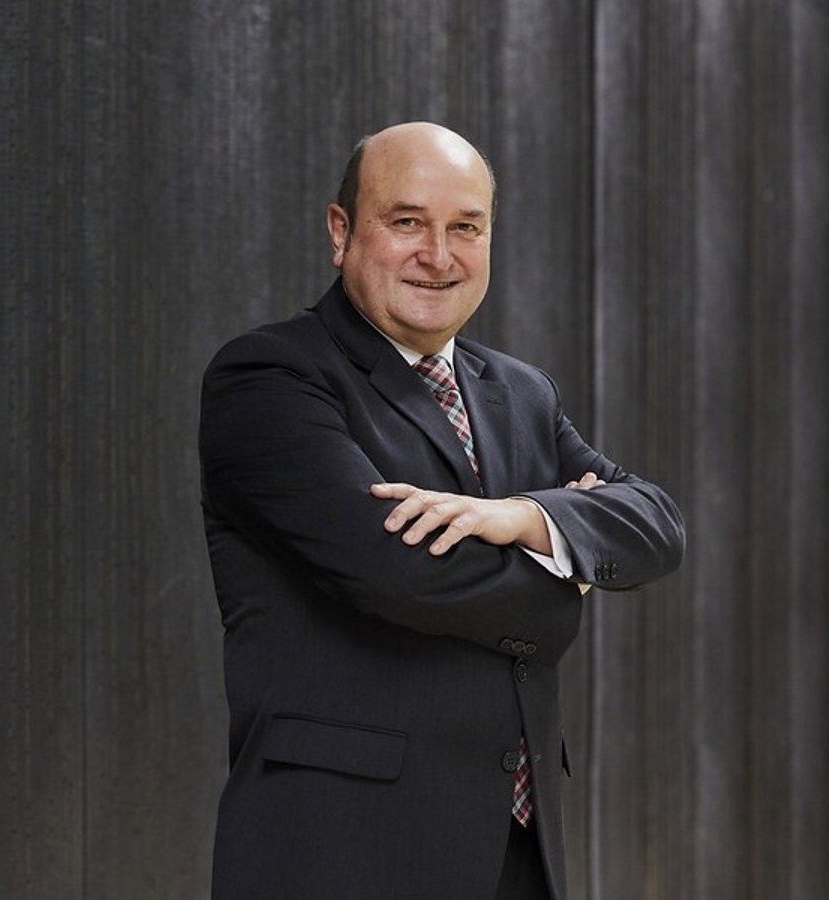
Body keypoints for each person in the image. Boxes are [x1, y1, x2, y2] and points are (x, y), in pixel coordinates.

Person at [198, 122, 685, 899]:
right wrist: (568, 574)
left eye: (467, 227)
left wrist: (523, 517)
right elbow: (398, 572)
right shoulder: (272, 379)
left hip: (517, 847)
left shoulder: (521, 392)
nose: (439, 254)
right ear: (340, 232)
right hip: (344, 852)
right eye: (407, 222)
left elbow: (657, 524)